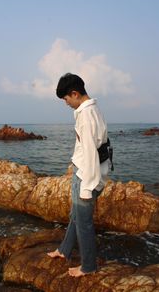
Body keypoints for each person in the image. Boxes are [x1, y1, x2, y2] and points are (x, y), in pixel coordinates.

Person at [47, 73, 110, 277]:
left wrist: (87, 187)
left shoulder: (85, 116)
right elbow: (90, 147)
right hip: (84, 171)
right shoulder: (92, 109)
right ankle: (64, 250)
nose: (66, 103)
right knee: (75, 216)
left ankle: (88, 266)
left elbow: (92, 153)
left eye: (66, 99)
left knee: (84, 222)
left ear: (74, 94)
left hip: (87, 177)